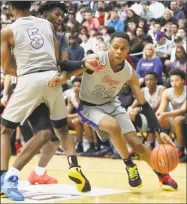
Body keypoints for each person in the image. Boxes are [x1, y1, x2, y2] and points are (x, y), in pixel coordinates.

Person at [0, 1, 104, 201]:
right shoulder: (47, 26)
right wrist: (83, 63)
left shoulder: (7, 30)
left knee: (5, 131)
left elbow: (6, 68)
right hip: (53, 79)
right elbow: (60, 62)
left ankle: (7, 177)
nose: (60, 18)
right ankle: (70, 166)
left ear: (12, 8)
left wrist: (24, 70)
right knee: (57, 131)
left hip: (28, 80)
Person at [48, 32, 178, 191]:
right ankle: (129, 165)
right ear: (110, 47)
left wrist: (159, 130)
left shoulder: (130, 72)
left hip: (112, 104)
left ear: (128, 50)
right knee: (113, 126)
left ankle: (162, 175)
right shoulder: (96, 59)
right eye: (115, 47)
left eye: (123, 48)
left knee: (137, 144)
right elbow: (70, 70)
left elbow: (144, 104)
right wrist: (61, 78)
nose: (119, 52)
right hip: (89, 106)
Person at [156, 69, 186, 162]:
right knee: (158, 120)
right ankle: (164, 150)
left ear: (183, 81)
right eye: (172, 81)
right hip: (174, 119)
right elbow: (161, 109)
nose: (174, 83)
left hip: (184, 119)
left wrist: (165, 114)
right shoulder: (167, 92)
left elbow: (183, 110)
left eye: (177, 80)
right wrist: (158, 115)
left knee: (178, 119)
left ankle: (181, 151)